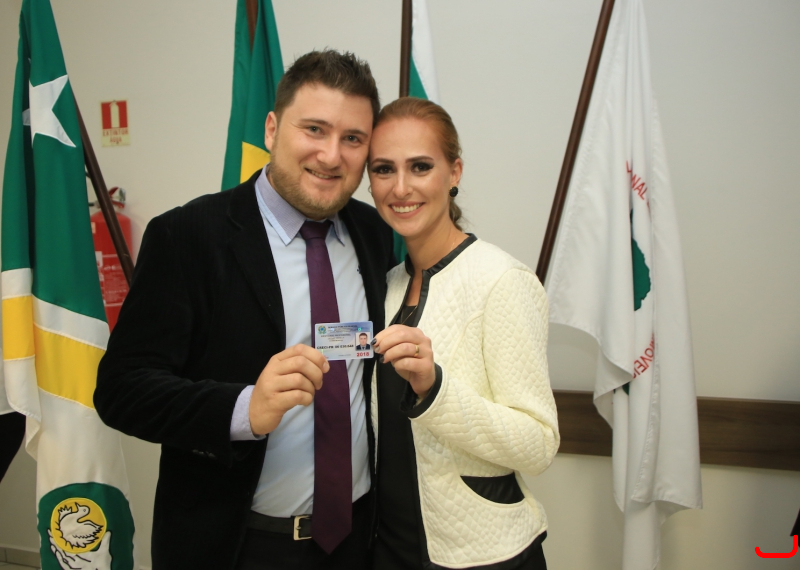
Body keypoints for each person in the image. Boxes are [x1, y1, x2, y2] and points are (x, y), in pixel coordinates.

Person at [94, 51, 395, 570]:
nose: (331, 155)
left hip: (357, 541)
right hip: (236, 545)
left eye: (352, 138)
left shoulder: (373, 232)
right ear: (273, 129)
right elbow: (121, 391)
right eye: (314, 129)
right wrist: (242, 409)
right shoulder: (188, 237)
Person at [367, 97, 559, 569]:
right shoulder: (384, 285)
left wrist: (436, 388)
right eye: (384, 169)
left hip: (485, 556)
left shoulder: (501, 280)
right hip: (387, 548)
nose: (401, 187)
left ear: (454, 172)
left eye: (420, 166)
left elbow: (539, 444)